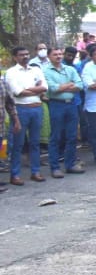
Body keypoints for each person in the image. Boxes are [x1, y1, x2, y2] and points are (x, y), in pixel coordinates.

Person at [6, 45, 48, 184]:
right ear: (15, 57)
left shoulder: (35, 70)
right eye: (21, 55)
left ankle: (35, 172)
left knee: (35, 143)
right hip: (20, 109)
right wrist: (36, 90)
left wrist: (29, 90)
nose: (25, 56)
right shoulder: (11, 72)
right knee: (18, 143)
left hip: (36, 108)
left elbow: (45, 87)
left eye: (26, 54)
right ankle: (15, 174)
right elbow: (18, 92)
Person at [42, 46, 85, 177]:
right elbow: (52, 89)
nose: (59, 56)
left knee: (72, 136)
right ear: (49, 56)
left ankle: (70, 164)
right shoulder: (45, 71)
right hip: (56, 105)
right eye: (55, 54)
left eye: (60, 54)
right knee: (56, 136)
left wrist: (63, 87)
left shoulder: (70, 69)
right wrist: (69, 85)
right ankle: (55, 167)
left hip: (71, 104)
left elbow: (80, 85)